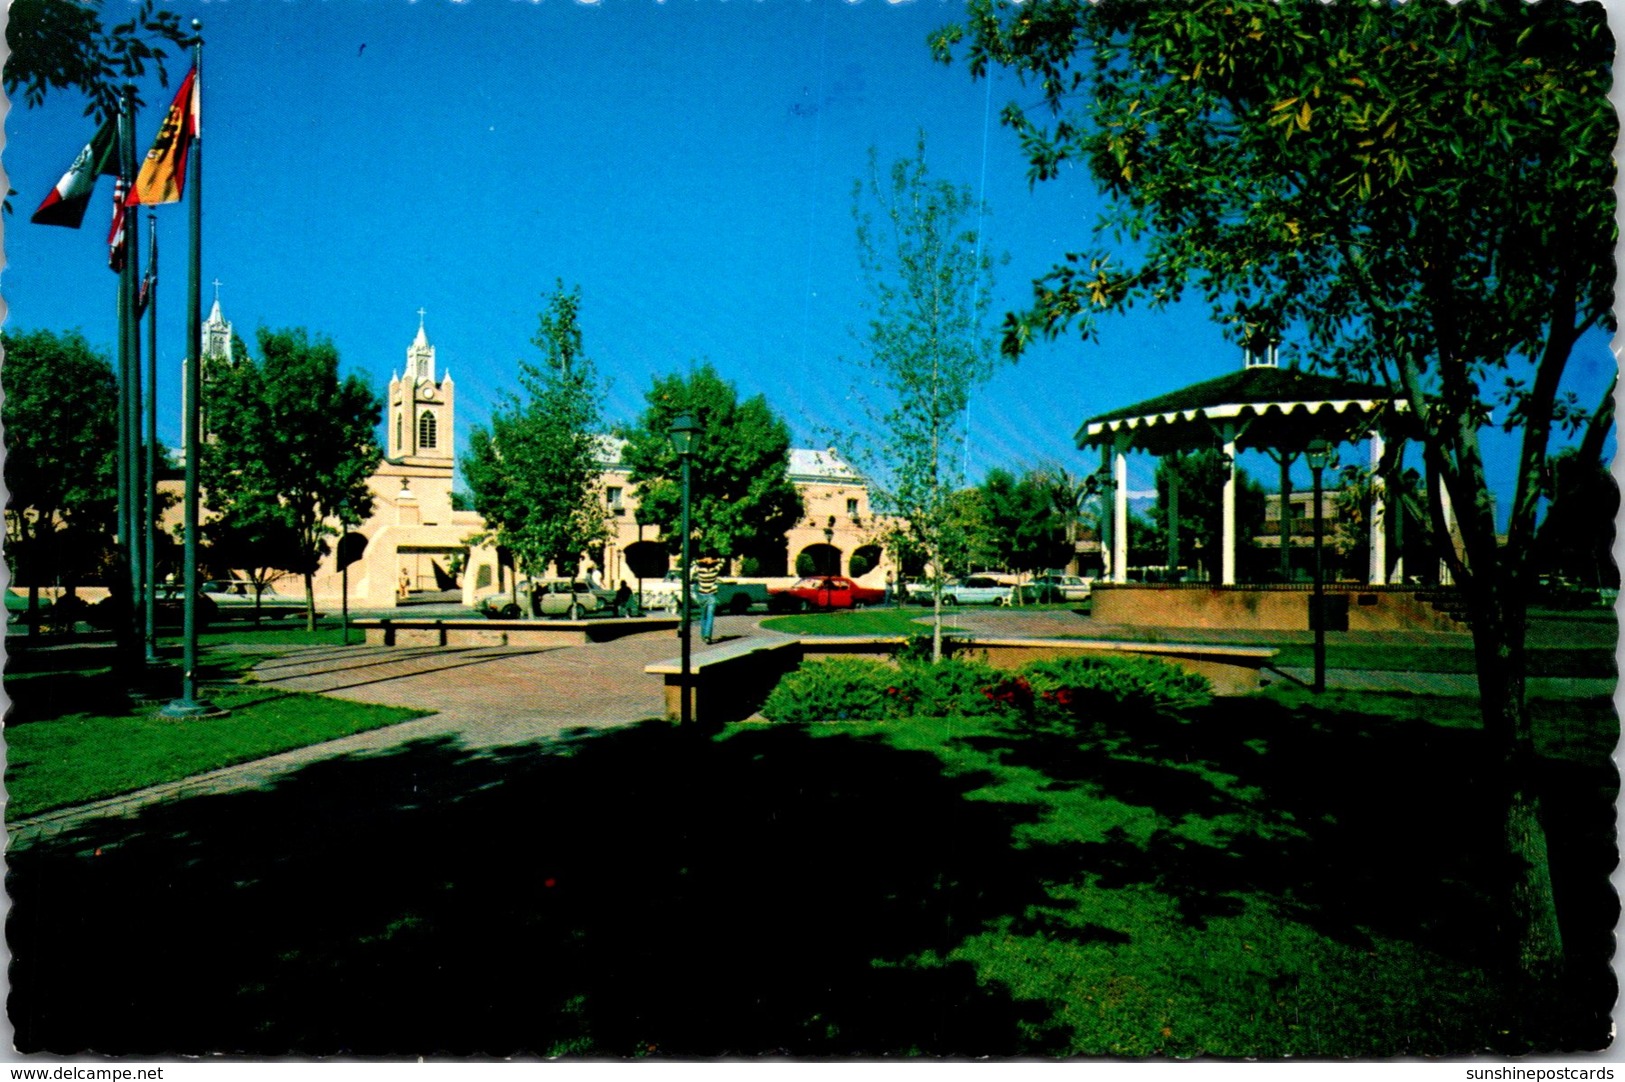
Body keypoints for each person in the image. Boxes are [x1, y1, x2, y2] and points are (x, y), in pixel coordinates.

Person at [693, 555, 722, 644]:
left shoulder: (700, 570)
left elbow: (693, 563)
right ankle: (707, 636)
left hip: (702, 595)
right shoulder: (715, 570)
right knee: (710, 616)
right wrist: (713, 560)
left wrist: (702, 560)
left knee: (703, 616)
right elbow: (722, 561)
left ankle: (703, 635)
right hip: (711, 595)